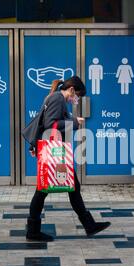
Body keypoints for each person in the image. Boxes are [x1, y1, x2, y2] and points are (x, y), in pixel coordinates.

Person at [26, 76, 111, 242]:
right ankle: (33, 231)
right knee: (43, 191)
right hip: (55, 152)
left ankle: (89, 225)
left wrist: (33, 145)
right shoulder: (58, 98)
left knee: (71, 188)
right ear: (72, 90)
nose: (76, 100)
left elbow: (41, 122)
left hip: (54, 151)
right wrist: (74, 121)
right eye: (77, 96)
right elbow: (51, 124)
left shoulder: (54, 97)